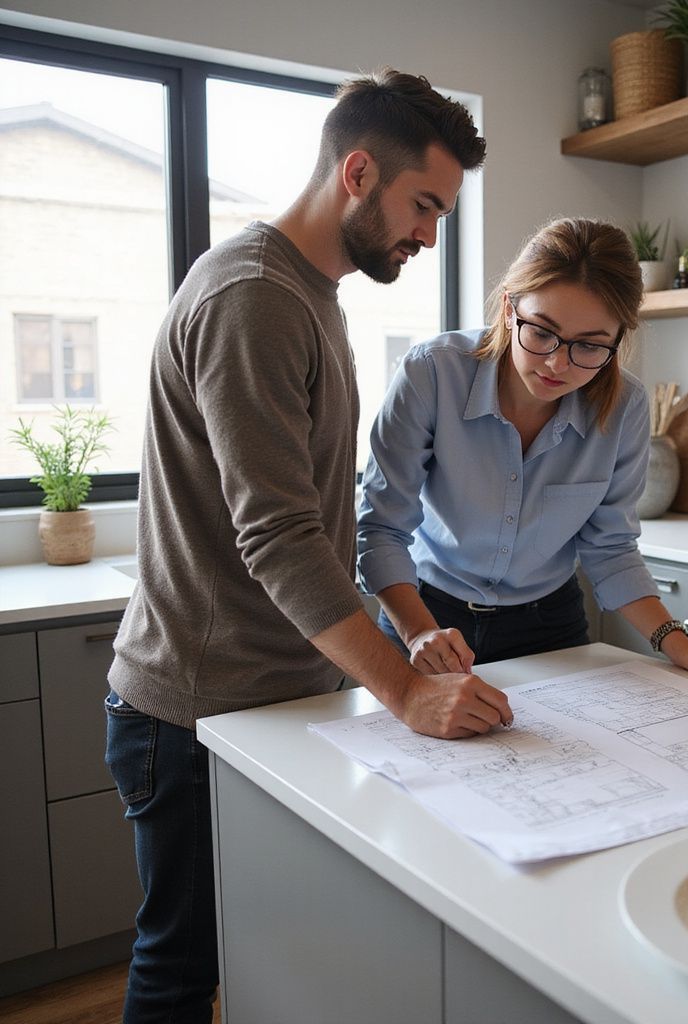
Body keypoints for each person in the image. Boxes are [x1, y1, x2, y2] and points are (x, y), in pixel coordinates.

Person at [105, 69, 509, 1024]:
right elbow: (281, 538)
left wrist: (395, 637)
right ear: (358, 172)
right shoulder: (257, 298)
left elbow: (320, 510)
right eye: (424, 205)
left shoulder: (309, 290)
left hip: (272, 700)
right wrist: (407, 691)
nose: (431, 235)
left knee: (264, 952)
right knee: (181, 969)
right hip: (198, 711)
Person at [357, 217, 688, 686]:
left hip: (549, 628)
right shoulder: (431, 375)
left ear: (617, 341)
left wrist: (680, 646)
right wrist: (420, 632)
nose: (558, 363)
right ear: (509, 308)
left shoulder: (624, 407)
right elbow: (382, 528)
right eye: (542, 332)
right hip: (427, 618)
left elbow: (610, 547)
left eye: (589, 345)